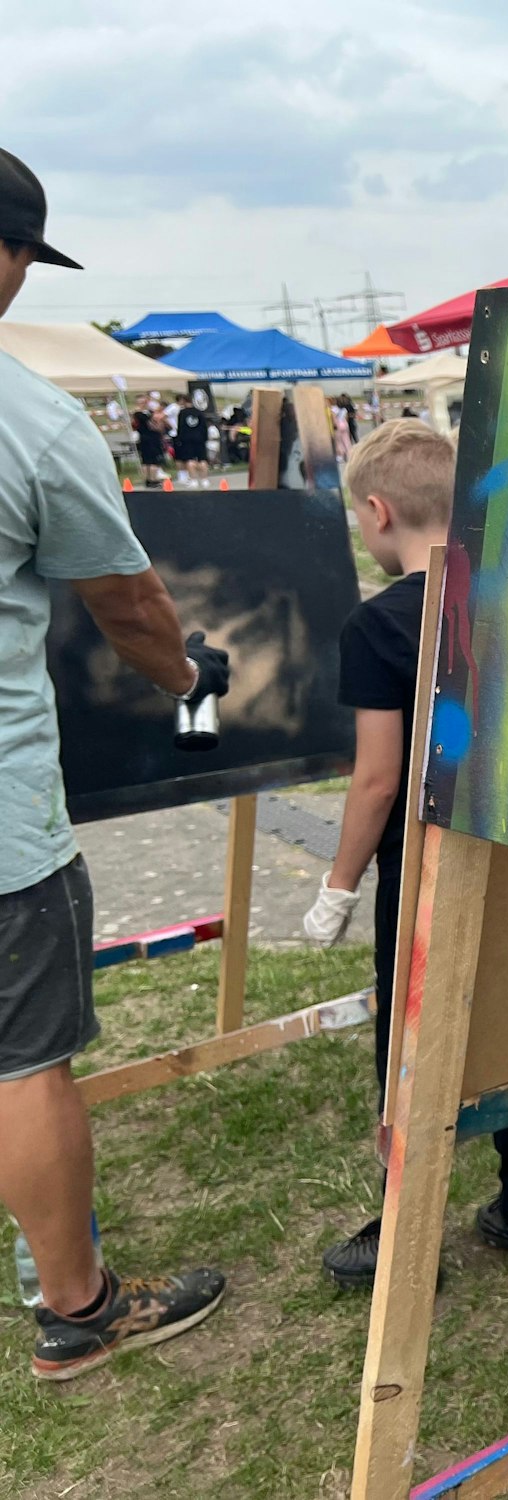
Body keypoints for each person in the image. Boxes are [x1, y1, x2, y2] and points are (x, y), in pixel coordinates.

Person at [0, 147, 235, 1380]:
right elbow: (135, 607)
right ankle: (78, 1307)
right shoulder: (30, 417)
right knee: (24, 1057)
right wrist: (190, 681)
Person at [305, 420, 508, 1289]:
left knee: (410, 1047)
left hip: (422, 875)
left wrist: (337, 886)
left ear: (378, 512)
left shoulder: (375, 626)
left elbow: (378, 782)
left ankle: (404, 1233)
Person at [172, 397, 209, 486]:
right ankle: (204, 480)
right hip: (199, 439)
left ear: (184, 401)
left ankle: (193, 480)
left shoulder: (183, 413)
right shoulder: (199, 412)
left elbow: (181, 427)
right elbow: (204, 427)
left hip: (187, 440)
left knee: (190, 460)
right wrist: (204, 438)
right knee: (202, 460)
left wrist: (179, 439)